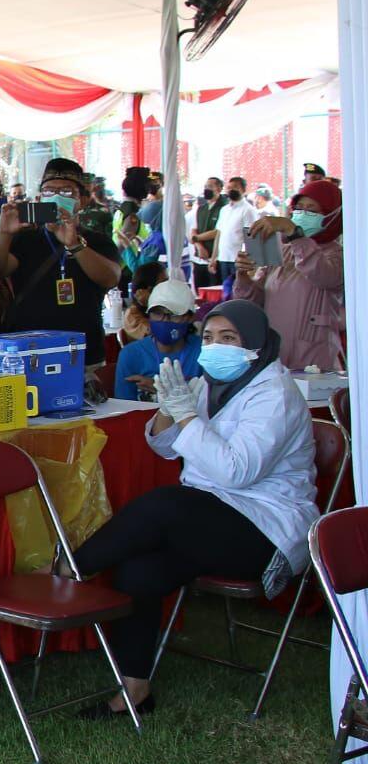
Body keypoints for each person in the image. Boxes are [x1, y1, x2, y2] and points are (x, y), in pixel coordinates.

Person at [73, 300, 317, 717]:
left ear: (256, 344)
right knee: (139, 569)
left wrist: (188, 417)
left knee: (165, 505)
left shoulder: (276, 394)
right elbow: (165, 447)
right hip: (211, 516)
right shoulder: (208, 383)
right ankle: (134, 691)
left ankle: (68, 572)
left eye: (229, 338)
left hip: (266, 528)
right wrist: (169, 410)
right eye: (208, 337)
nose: (215, 347)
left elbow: (235, 471)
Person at [0, 157, 122, 366]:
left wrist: (74, 244)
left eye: (67, 192)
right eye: (49, 191)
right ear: (40, 198)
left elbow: (110, 278)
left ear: (82, 200)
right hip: (29, 352)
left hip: (82, 353)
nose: (57, 197)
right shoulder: (25, 238)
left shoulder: (96, 241)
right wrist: (3, 232)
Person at [233, 178, 345, 370]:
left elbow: (322, 274)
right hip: (275, 353)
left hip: (314, 358)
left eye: (311, 210)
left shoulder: (338, 254)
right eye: (299, 208)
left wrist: (294, 233)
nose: (302, 214)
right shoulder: (283, 251)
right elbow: (253, 301)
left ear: (331, 214)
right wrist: (244, 276)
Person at [113, 280, 202, 401]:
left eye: (173, 314)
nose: (165, 320)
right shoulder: (131, 354)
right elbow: (124, 406)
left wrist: (161, 389)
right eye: (158, 313)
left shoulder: (202, 351)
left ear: (190, 317)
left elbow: (211, 403)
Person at [210, 176, 258, 294]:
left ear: (243, 190)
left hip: (238, 260)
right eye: (229, 187)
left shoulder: (248, 210)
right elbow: (219, 234)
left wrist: (249, 261)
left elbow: (251, 236)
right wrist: (214, 257)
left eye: (235, 187)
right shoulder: (224, 210)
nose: (231, 190)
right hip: (223, 258)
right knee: (226, 292)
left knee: (238, 292)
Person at [190, 176, 225, 292]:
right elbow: (193, 230)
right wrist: (199, 247)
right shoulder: (201, 209)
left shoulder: (224, 208)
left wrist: (196, 238)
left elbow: (217, 232)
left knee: (215, 293)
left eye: (210, 186)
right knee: (199, 292)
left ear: (219, 189)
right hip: (199, 259)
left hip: (216, 260)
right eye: (205, 186)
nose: (207, 189)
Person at [119, 260, 168, 342]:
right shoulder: (133, 314)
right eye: (164, 283)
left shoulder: (167, 307)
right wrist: (152, 306)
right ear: (148, 290)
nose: (168, 287)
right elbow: (161, 336)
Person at [113, 210, 151, 279]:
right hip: (126, 264)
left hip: (127, 264)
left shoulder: (126, 213)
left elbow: (122, 243)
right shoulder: (125, 212)